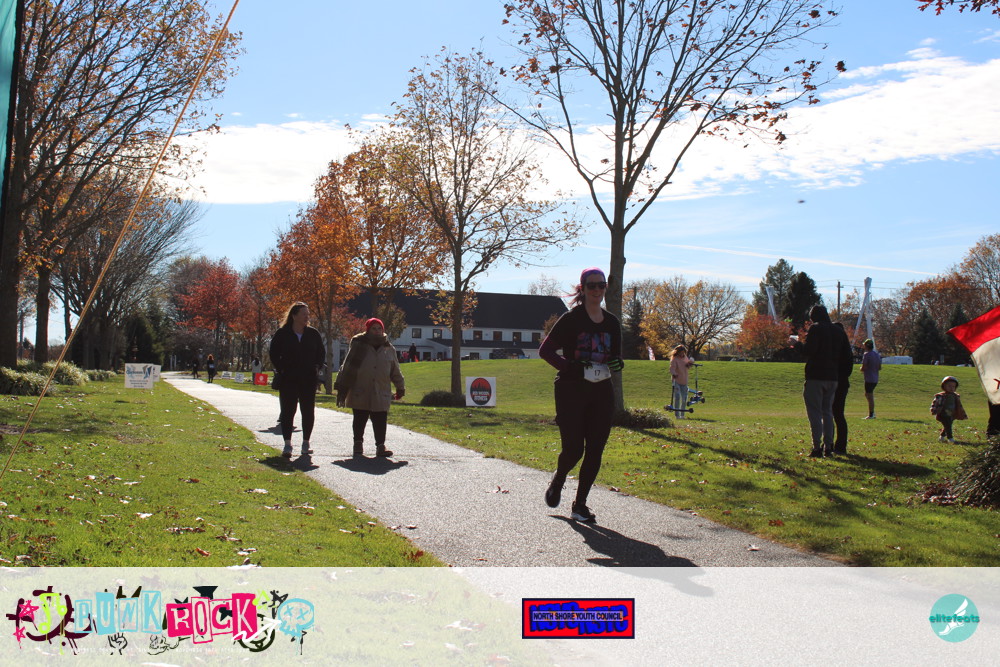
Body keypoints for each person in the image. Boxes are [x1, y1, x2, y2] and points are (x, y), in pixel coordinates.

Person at [539, 268, 624, 523]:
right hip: (571, 390)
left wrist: (618, 363)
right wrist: (570, 367)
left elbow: (615, 357)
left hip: (601, 391)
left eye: (601, 285)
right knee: (574, 449)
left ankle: (580, 505)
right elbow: (546, 351)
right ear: (583, 288)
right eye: (592, 286)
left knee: (595, 449)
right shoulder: (571, 319)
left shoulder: (612, 322)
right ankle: (559, 478)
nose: (597, 290)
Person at [335, 318, 405, 458]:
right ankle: (358, 444)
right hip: (361, 389)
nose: (377, 331)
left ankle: (380, 446)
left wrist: (400, 387)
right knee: (360, 418)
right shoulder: (359, 345)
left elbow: (395, 370)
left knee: (380, 419)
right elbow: (348, 365)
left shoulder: (389, 348)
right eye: (374, 328)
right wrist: (341, 384)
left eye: (379, 328)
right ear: (368, 330)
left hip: (381, 390)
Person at [790, 305, 853, 458]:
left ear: (813, 317)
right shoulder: (839, 331)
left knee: (815, 413)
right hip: (833, 378)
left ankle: (817, 447)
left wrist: (796, 344)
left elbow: (809, 351)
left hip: (816, 376)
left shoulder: (816, 329)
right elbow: (847, 355)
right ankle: (828, 446)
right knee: (828, 412)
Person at [268, 302, 326, 458]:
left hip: (308, 379)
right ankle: (287, 444)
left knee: (308, 411)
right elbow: (273, 353)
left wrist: (317, 367)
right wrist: (282, 369)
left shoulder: (313, 334)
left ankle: (306, 442)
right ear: (294, 316)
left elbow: (321, 353)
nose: (307, 317)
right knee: (288, 411)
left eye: (308, 314)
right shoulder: (282, 333)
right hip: (289, 379)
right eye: (303, 314)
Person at [831, 323, 853, 455]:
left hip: (835, 382)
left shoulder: (836, 350)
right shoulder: (847, 351)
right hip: (843, 383)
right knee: (838, 414)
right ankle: (840, 445)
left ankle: (831, 443)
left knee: (833, 414)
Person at [931, 376, 967, 444]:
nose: (951, 388)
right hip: (943, 414)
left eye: (953, 386)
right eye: (949, 386)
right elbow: (935, 403)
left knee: (947, 425)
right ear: (944, 386)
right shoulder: (941, 396)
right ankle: (950, 438)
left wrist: (960, 412)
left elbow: (958, 405)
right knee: (948, 425)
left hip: (952, 414)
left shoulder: (955, 396)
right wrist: (933, 410)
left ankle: (942, 437)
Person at [668, 345, 695, 419]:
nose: (682, 354)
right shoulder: (675, 359)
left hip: (684, 380)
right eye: (681, 352)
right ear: (678, 352)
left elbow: (687, 367)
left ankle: (682, 414)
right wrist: (674, 374)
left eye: (683, 352)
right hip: (676, 380)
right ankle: (677, 415)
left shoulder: (685, 358)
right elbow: (672, 368)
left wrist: (690, 363)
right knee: (677, 397)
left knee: (684, 398)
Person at [860, 339, 881, 419]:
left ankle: (871, 414)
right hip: (875, 378)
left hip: (869, 378)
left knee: (869, 396)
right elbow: (879, 367)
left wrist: (861, 369)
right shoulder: (876, 355)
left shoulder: (867, 355)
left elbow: (864, 367)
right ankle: (872, 411)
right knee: (867, 394)